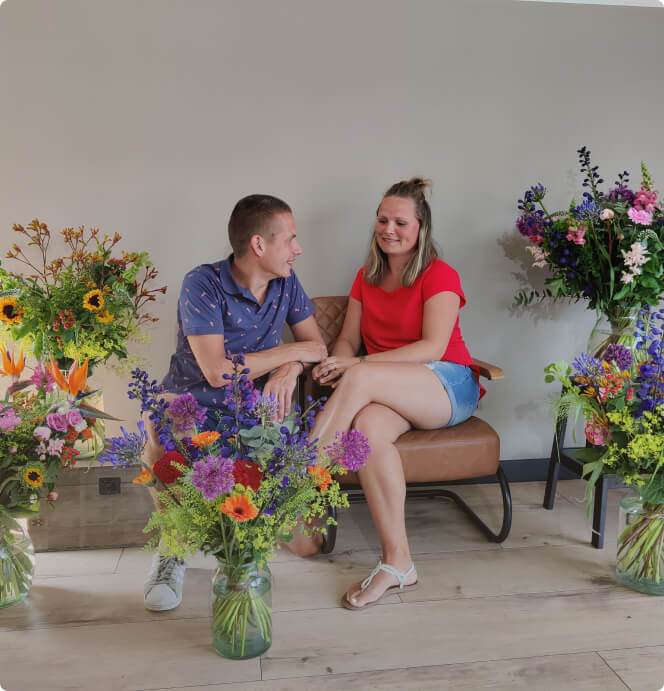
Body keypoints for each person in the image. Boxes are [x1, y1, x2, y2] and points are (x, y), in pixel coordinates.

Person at [143, 194, 327, 611]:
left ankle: (244, 549)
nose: (298, 249)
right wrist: (288, 354)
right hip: (191, 402)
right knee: (157, 439)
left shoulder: (287, 283)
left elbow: (317, 345)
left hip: (253, 409)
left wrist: (290, 370)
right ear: (259, 245)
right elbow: (218, 372)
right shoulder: (202, 283)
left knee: (307, 546)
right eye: (291, 239)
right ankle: (172, 552)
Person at [310, 177, 482, 610]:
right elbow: (349, 340)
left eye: (400, 222)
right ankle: (398, 563)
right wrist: (339, 360)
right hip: (394, 386)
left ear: (421, 226)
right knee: (367, 429)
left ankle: (300, 473)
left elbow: (432, 348)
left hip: (447, 381)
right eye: (382, 220)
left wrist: (357, 367)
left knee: (362, 379)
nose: (389, 229)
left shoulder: (439, 274)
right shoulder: (366, 277)